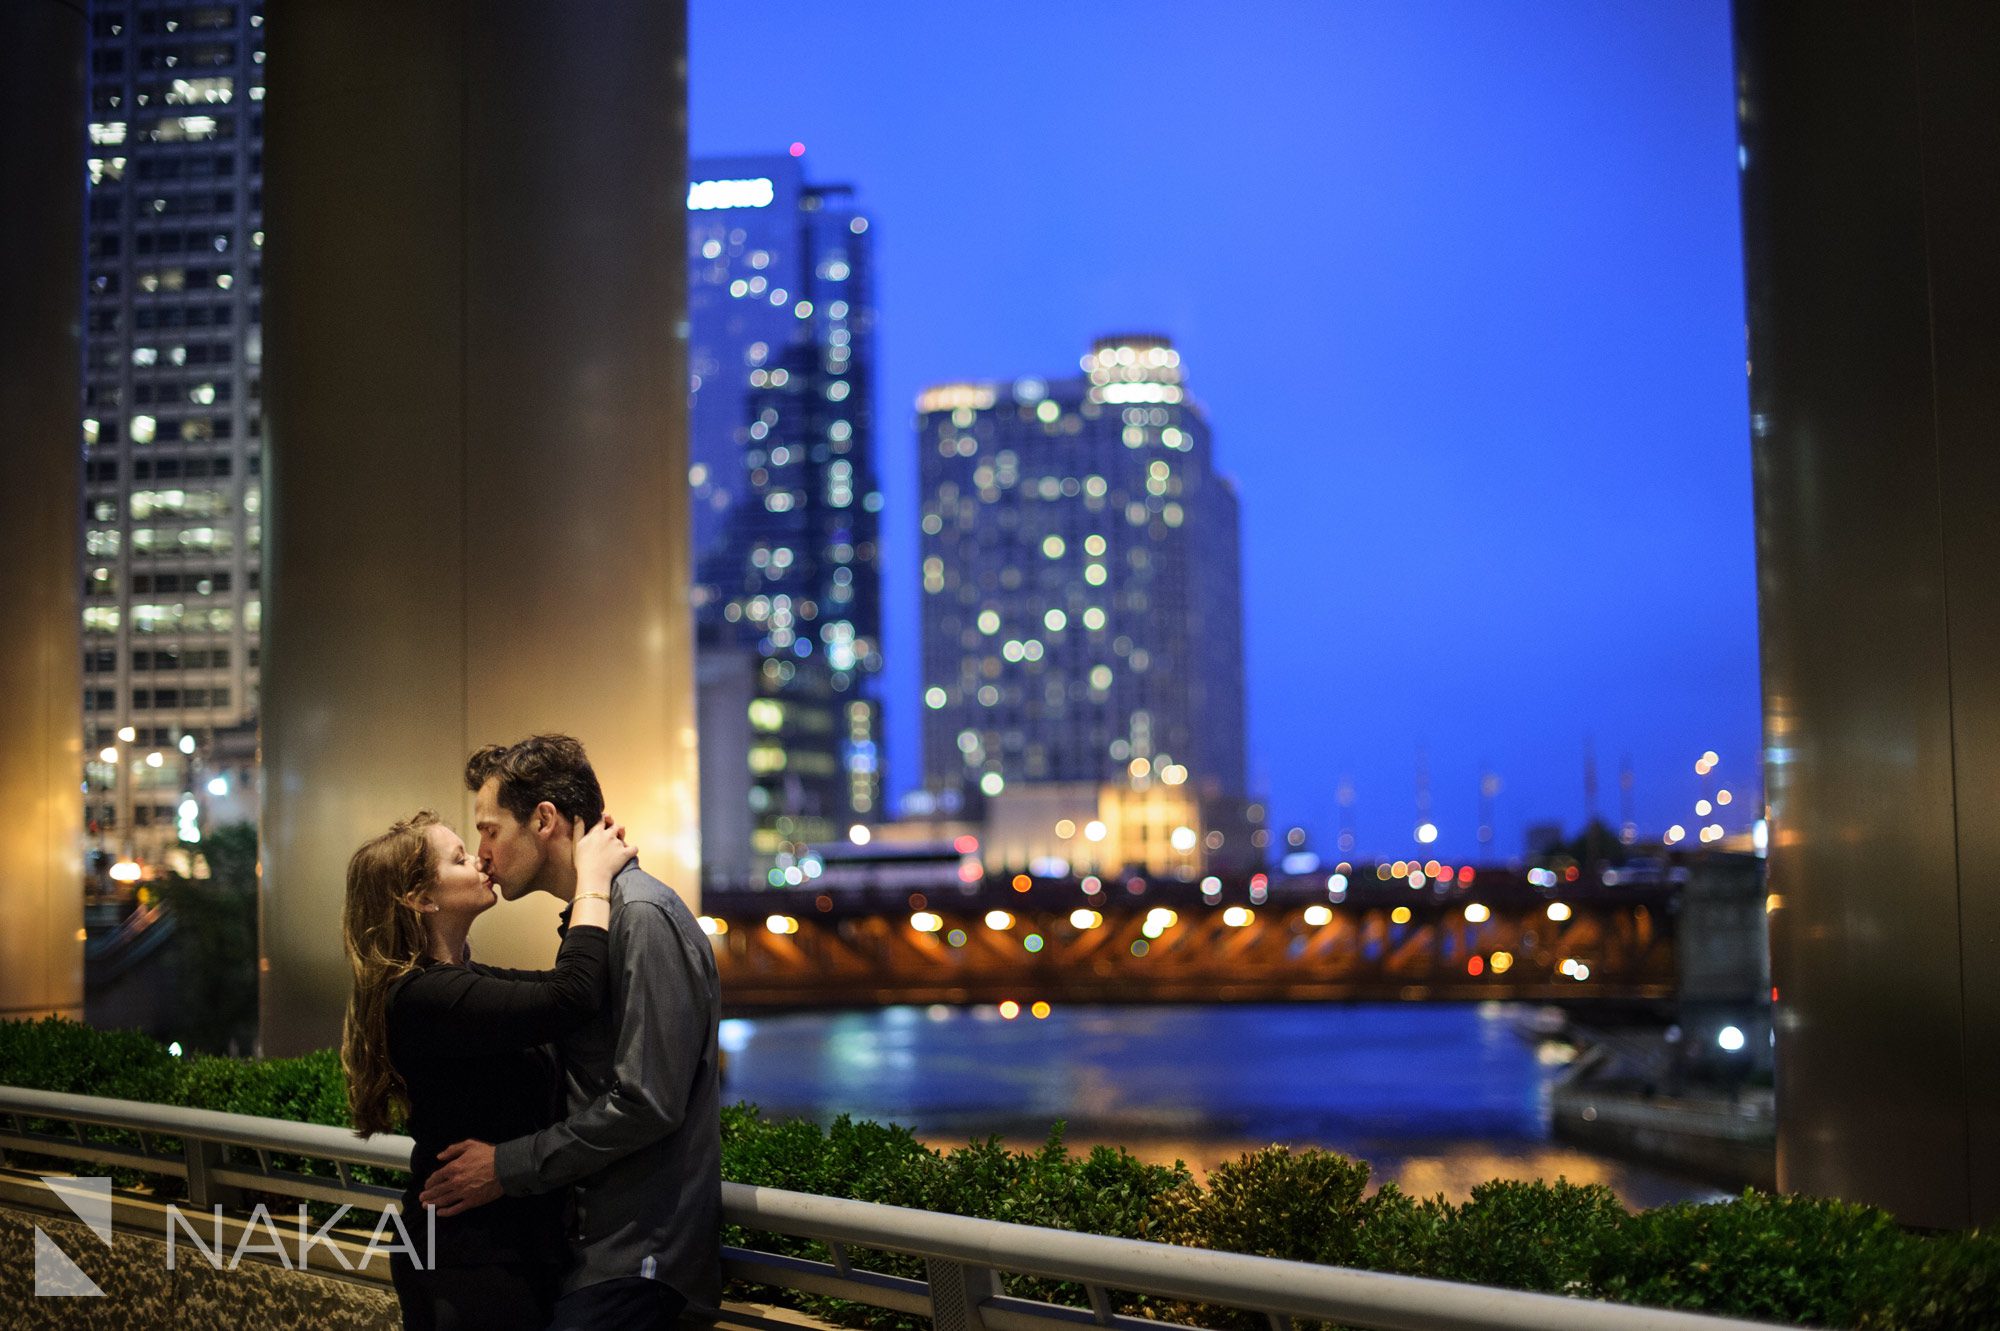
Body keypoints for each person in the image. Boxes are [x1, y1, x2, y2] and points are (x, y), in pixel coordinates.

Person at [419, 734, 723, 1331]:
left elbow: (647, 1100)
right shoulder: (605, 916)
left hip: (640, 1267)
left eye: (489, 830)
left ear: (544, 819)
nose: (482, 853)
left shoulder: (642, 916)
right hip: (600, 1260)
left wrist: (505, 1167)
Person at [341, 807, 635, 1331]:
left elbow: (564, 995)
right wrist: (592, 878)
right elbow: (573, 995)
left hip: (501, 1252)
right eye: (458, 859)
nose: (479, 860)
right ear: (421, 899)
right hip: (466, 1261)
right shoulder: (424, 995)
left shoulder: (458, 980)